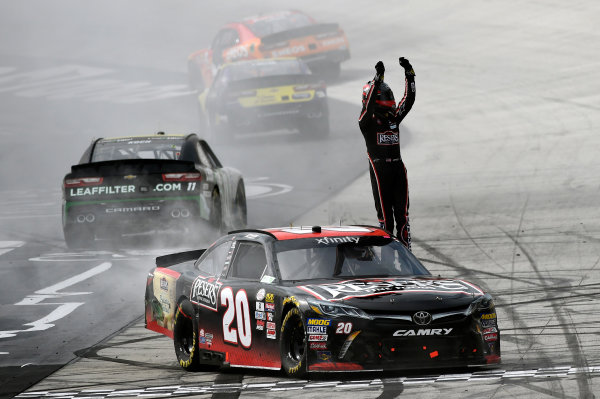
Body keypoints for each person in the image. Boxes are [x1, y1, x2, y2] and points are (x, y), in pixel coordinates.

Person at [358, 58, 416, 250]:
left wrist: (409, 73)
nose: (389, 98)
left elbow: (409, 100)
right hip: (379, 169)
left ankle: (406, 252)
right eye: (385, 95)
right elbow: (368, 108)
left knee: (403, 216)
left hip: (398, 168)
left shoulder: (394, 118)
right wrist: (377, 80)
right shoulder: (366, 122)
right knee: (385, 219)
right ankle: (387, 257)